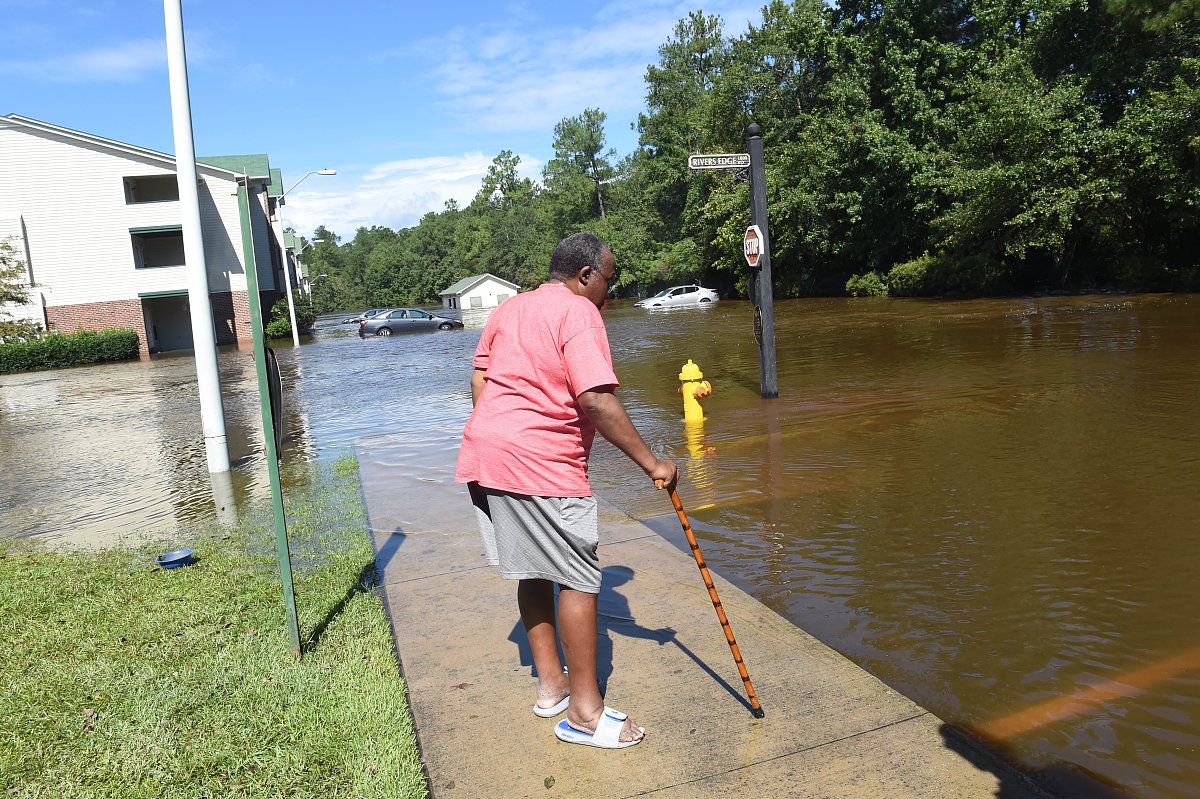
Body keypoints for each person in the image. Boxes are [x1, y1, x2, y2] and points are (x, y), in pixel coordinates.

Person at [455, 232, 677, 749]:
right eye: (609, 281)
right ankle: (584, 713)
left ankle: (550, 685)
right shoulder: (580, 314)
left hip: (488, 456)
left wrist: (500, 434)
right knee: (580, 578)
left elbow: (479, 381)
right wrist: (653, 464)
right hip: (542, 464)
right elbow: (596, 398)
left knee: (532, 567)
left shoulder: (510, 310)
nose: (610, 294)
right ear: (584, 275)